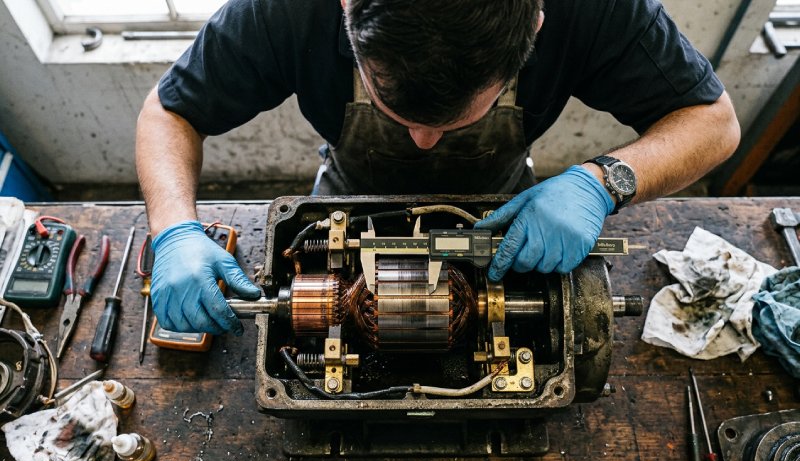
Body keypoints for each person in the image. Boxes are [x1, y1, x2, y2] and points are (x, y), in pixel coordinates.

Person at [136, 0, 740, 337]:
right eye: (392, 106)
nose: (422, 143)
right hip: (346, 194)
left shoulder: (593, 7)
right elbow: (169, 112)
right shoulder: (287, 9)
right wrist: (174, 230)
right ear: (347, 8)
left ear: (534, 23)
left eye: (454, 122)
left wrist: (603, 181)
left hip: (509, 206)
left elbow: (713, 122)